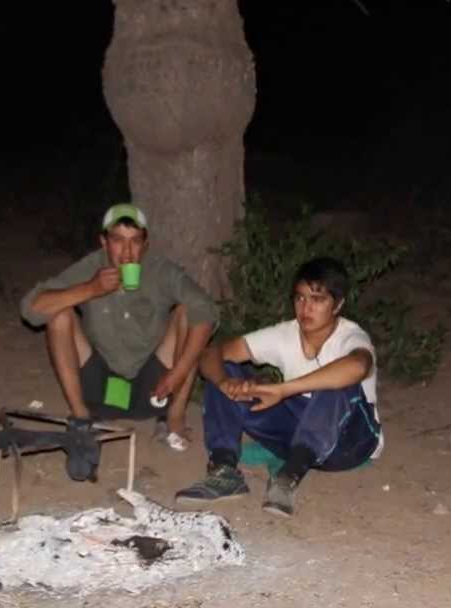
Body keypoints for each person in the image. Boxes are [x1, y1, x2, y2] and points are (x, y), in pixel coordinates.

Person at [174, 256, 384, 517]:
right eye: (300, 298)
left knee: (338, 383)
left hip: (350, 443)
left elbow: (358, 366)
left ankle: (287, 478)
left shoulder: (351, 335)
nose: (306, 308)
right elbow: (211, 354)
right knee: (225, 368)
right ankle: (224, 470)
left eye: (317, 300)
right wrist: (225, 382)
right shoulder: (285, 334)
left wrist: (283, 390)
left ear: (338, 304)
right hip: (296, 435)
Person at [20, 203, 218, 451]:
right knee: (59, 314)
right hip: (98, 384)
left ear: (145, 244)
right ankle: (81, 418)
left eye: (135, 241)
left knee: (189, 313)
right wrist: (90, 289)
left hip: (155, 386)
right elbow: (31, 309)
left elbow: (207, 310)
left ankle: (174, 417)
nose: (127, 252)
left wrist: (178, 372)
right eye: (118, 240)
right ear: (104, 242)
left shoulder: (161, 270)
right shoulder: (91, 267)